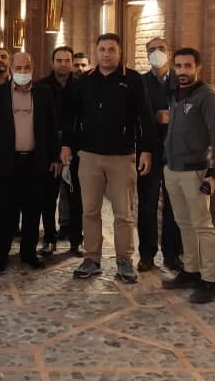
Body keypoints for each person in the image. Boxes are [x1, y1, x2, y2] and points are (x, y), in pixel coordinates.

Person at [61, 33, 154, 283]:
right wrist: (67, 145)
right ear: (96, 51)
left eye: (111, 49)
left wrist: (146, 150)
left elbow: (145, 117)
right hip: (89, 156)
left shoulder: (132, 80)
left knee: (123, 212)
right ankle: (91, 258)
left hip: (122, 157)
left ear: (119, 52)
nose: (106, 54)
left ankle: (124, 260)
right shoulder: (84, 80)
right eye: (102, 49)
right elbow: (72, 116)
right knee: (90, 211)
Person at [161, 47, 215, 304]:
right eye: (178, 66)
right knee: (183, 223)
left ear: (197, 67)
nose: (182, 71)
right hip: (173, 169)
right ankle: (191, 270)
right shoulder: (175, 94)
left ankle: (209, 281)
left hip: (195, 171)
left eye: (188, 66)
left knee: (202, 226)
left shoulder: (206, 96)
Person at [0, 52, 58, 273]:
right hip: (6, 161)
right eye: (18, 68)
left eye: (27, 68)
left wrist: (54, 157)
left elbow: (52, 127)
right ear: (11, 69)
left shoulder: (43, 92)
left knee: (33, 211)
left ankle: (28, 253)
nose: (23, 72)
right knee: (4, 210)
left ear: (32, 69)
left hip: (34, 162)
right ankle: (1, 254)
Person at [137, 37, 184, 272]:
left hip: (177, 151)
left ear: (170, 52)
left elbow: (191, 111)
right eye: (152, 50)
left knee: (174, 204)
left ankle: (172, 254)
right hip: (149, 150)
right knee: (147, 204)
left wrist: (171, 116)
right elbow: (135, 114)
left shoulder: (181, 81)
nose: (157, 53)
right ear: (147, 55)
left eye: (161, 49)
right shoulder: (141, 82)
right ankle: (147, 254)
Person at [36, 46, 80, 256]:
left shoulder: (81, 85)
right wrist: (53, 153)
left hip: (76, 149)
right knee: (48, 197)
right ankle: (49, 239)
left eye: (67, 60)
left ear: (72, 62)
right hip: (50, 151)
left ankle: (76, 240)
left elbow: (81, 118)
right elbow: (40, 122)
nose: (63, 64)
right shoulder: (41, 86)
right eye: (59, 60)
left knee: (76, 198)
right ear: (52, 62)